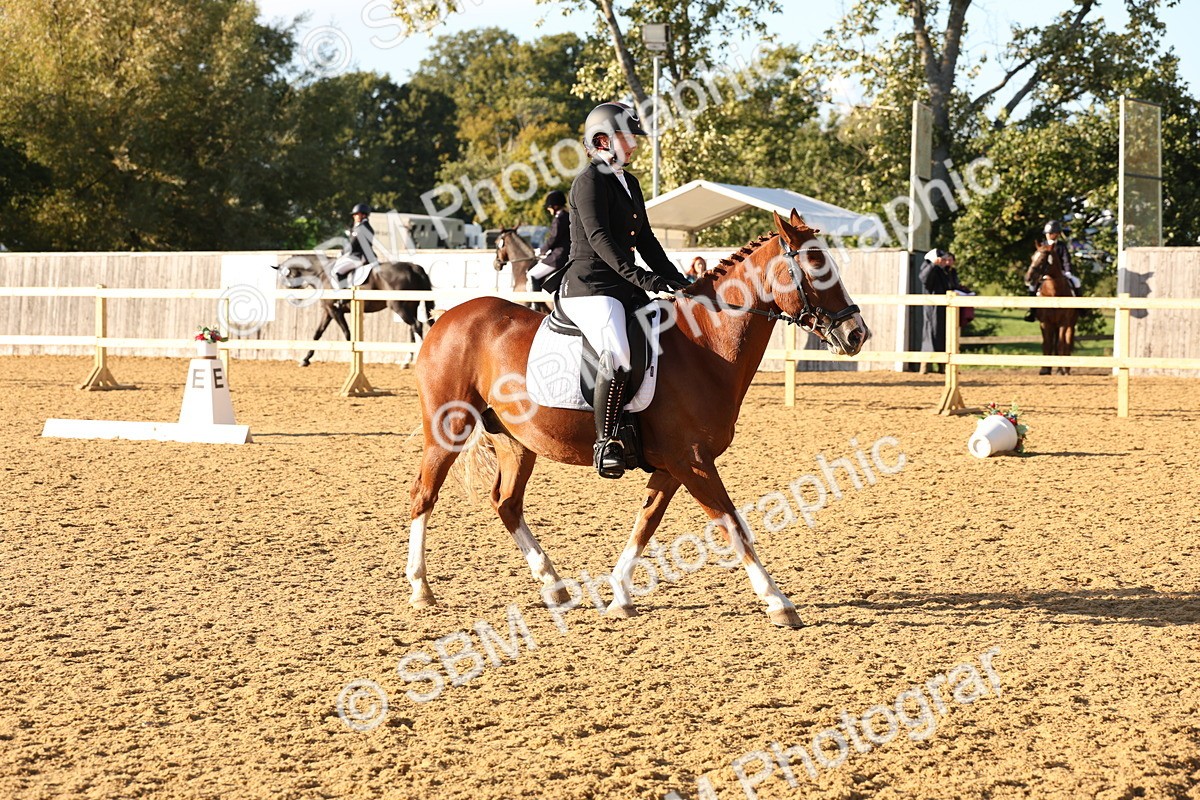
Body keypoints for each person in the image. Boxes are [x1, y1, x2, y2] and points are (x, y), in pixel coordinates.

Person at [557, 101, 691, 479]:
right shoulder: (588, 182)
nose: (634, 144)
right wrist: (647, 280)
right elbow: (601, 240)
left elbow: (646, 240)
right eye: (627, 136)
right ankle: (607, 441)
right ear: (603, 140)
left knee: (666, 337)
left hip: (623, 285)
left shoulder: (628, 182)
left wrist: (677, 280)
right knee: (616, 351)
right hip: (591, 286)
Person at [1025, 219, 1082, 321]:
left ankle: (1081, 309)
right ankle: (1032, 311)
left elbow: (1066, 259)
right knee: (1032, 287)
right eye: (1047, 233)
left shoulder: (1061, 246)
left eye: (1050, 233)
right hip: (1044, 273)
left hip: (1061, 272)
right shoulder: (1043, 245)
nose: (1048, 235)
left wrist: (1067, 271)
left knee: (1076, 282)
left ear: (1057, 234)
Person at [919, 248, 958, 373]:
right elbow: (924, 279)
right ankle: (924, 367)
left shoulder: (944, 271)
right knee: (930, 336)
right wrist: (933, 265)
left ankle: (942, 366)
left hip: (942, 308)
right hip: (932, 309)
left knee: (944, 336)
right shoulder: (928, 267)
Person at [527, 190, 571, 293]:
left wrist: (542, 250)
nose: (548, 209)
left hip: (558, 256)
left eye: (549, 206)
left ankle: (536, 304)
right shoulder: (568, 216)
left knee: (531, 274)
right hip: (565, 254)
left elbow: (553, 238)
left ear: (555, 206)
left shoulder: (559, 219)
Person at [332, 203, 378, 289]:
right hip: (366, 256)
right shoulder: (366, 226)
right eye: (354, 214)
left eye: (357, 214)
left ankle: (344, 296)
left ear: (364, 215)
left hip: (359, 257)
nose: (354, 216)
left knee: (336, 270)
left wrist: (341, 253)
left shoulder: (360, 228)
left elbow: (352, 245)